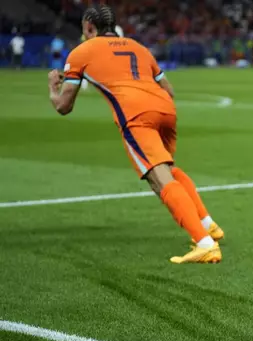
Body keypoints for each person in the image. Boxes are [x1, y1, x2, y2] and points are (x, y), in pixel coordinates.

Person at [47, 5, 224, 264]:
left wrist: (53, 88)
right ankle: (208, 225)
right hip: (165, 108)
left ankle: (204, 243)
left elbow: (64, 106)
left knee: (160, 179)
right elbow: (169, 88)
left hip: (136, 115)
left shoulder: (81, 51)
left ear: (88, 27)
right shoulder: (138, 46)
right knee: (168, 171)